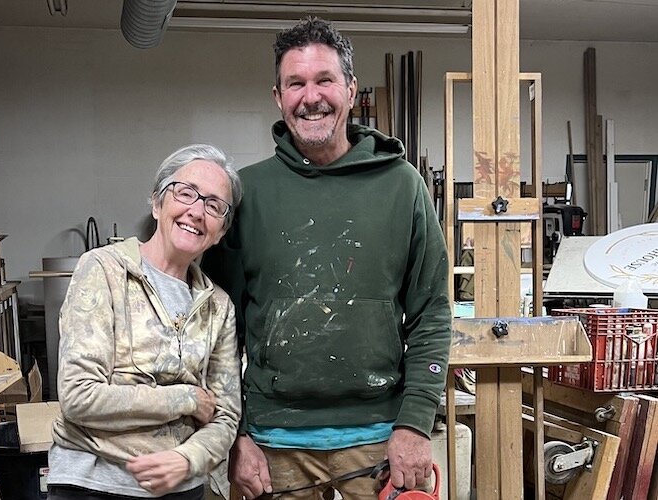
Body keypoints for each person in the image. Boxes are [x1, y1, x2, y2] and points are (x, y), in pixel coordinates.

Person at [202, 17, 451, 499]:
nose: (310, 96)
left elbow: (431, 314)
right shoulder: (247, 192)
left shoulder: (403, 186)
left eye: (324, 80)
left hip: (379, 438)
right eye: (295, 83)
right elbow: (216, 332)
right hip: (272, 445)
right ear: (277, 95)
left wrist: (417, 423)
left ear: (351, 90)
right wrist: (235, 435)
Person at [47, 144, 243, 500]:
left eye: (213, 205)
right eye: (185, 193)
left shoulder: (219, 307)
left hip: (181, 488)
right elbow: (78, 396)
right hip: (93, 483)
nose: (196, 211)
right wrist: (186, 399)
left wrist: (187, 459)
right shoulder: (103, 270)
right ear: (157, 203)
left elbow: (226, 416)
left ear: (221, 231)